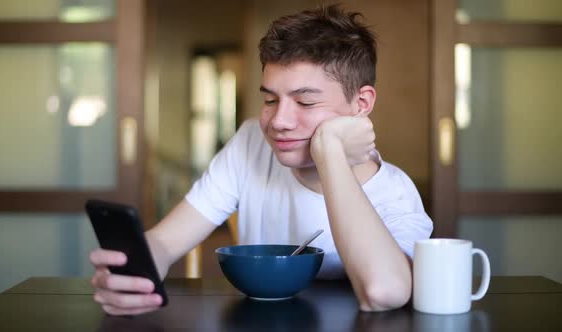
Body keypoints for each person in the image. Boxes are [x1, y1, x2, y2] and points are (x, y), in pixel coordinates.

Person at [89, 4, 433, 315]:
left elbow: (383, 293)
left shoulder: (396, 193)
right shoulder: (252, 142)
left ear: (361, 104)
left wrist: (330, 151)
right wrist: (133, 272)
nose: (279, 121)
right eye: (270, 100)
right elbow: (166, 242)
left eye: (306, 103)